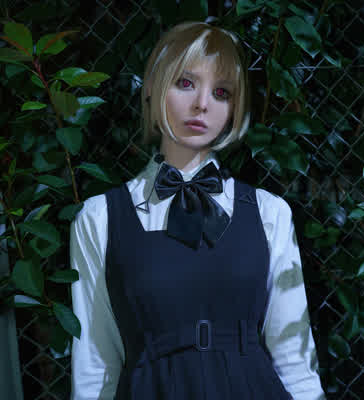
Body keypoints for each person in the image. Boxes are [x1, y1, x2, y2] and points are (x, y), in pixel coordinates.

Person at [69, 21, 326, 399]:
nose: (202, 104)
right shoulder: (99, 218)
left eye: (221, 92)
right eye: (186, 83)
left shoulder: (270, 213)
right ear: (152, 86)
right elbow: (95, 363)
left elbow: (295, 357)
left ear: (234, 107)